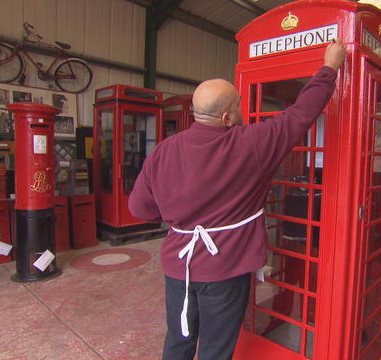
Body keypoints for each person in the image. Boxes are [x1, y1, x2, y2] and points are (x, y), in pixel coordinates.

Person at [128, 39, 346, 360]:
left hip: (178, 268)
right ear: (228, 117)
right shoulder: (251, 144)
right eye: (240, 105)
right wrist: (330, 68)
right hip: (225, 271)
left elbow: (139, 208)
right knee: (216, 350)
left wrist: (180, 214)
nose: (245, 110)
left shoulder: (164, 149)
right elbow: (300, 115)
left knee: (179, 339)